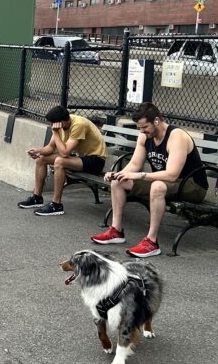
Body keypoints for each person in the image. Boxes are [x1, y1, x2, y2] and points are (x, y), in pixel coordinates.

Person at [91, 103, 208, 258]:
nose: (142, 131)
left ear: (157, 121)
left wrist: (140, 175)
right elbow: (134, 164)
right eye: (139, 127)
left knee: (157, 186)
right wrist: (118, 174)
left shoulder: (176, 136)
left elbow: (172, 175)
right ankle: (116, 231)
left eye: (145, 127)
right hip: (165, 183)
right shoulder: (145, 136)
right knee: (118, 182)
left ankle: (151, 242)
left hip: (192, 185)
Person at [18, 105, 107, 216]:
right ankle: (37, 198)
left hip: (95, 161)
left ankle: (56, 205)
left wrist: (55, 133)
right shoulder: (59, 125)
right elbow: (50, 147)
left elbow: (64, 153)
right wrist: (38, 152)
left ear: (62, 122)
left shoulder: (78, 125)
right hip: (79, 158)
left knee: (60, 161)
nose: (51, 126)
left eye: (52, 123)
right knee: (41, 159)